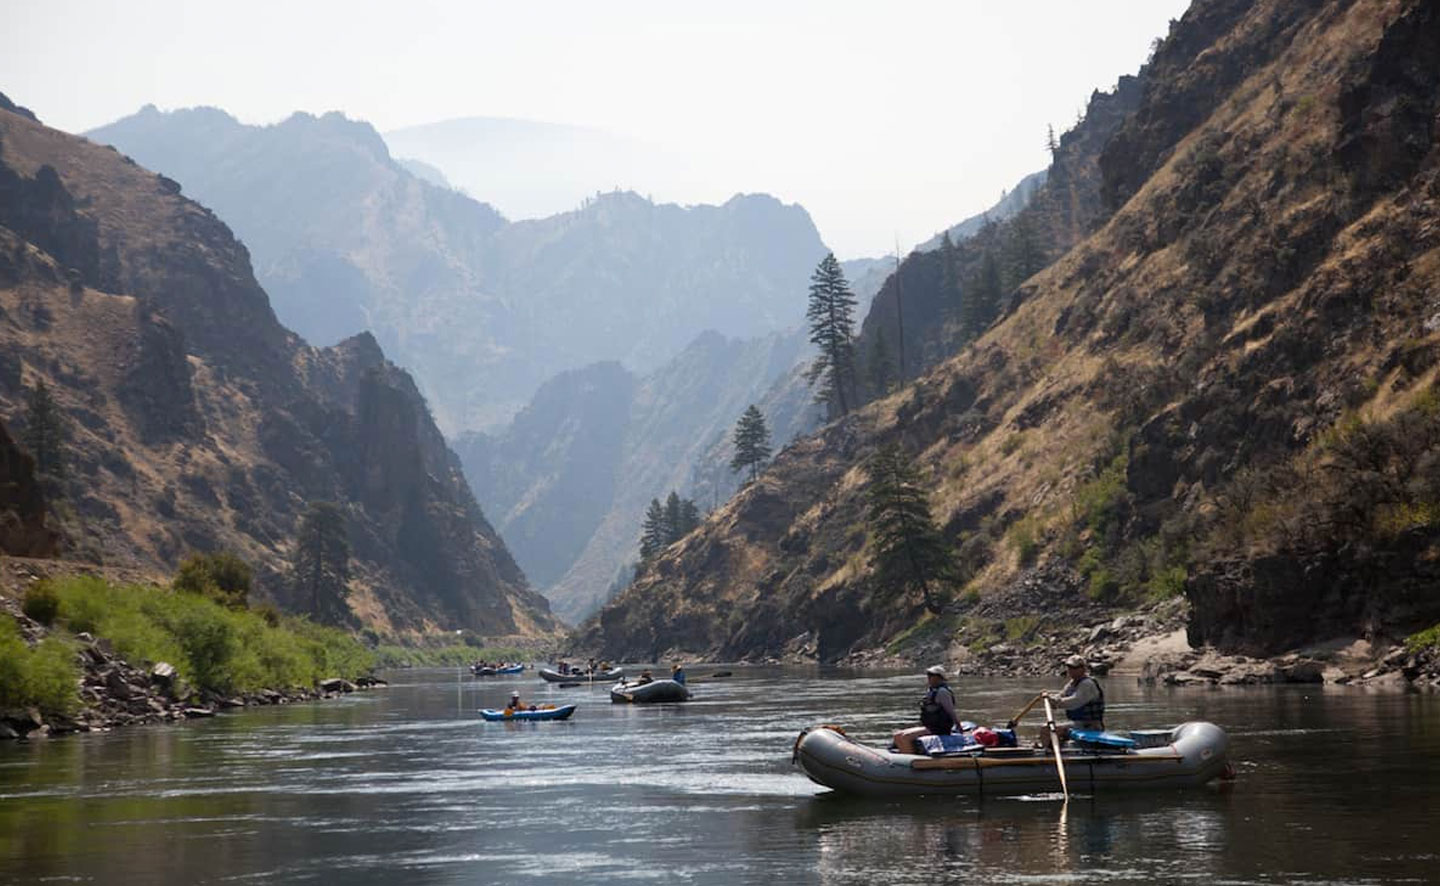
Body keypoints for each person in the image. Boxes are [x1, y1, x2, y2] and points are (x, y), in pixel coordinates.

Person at [892, 665, 959, 755]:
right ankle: (906, 755)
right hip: (930, 726)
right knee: (897, 735)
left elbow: (951, 711)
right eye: (928, 675)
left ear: (939, 677)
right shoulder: (931, 691)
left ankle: (910, 760)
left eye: (931, 675)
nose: (928, 678)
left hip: (939, 728)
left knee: (905, 737)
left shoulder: (943, 692)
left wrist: (959, 726)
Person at [1040, 655, 1105, 743]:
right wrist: (1050, 698)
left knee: (1046, 730)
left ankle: (1048, 753)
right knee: (1046, 728)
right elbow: (1061, 695)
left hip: (1090, 726)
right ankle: (1049, 749)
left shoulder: (1087, 684)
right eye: (1069, 667)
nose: (1070, 670)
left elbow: (1075, 702)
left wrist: (1056, 702)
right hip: (1078, 724)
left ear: (1082, 668)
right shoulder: (1072, 684)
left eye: (1074, 668)